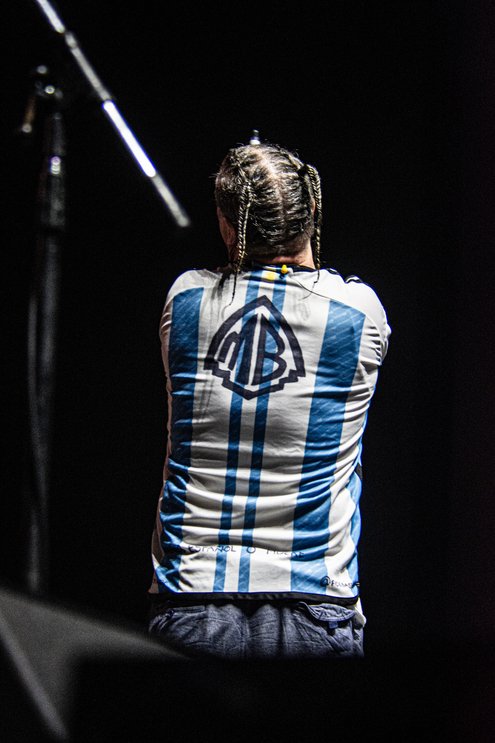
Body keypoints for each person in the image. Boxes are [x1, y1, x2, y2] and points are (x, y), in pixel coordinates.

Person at [148, 133, 391, 659]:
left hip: (193, 595)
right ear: (312, 213)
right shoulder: (359, 312)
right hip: (316, 600)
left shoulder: (185, 299)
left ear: (226, 224)